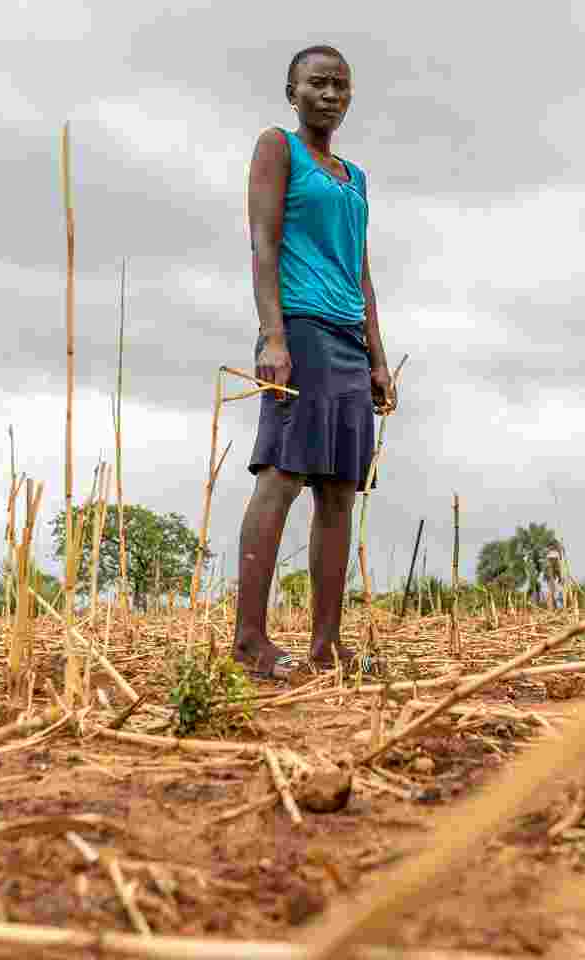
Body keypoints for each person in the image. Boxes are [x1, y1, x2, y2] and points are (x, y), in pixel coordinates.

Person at [231, 44, 395, 681]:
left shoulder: (356, 178)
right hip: (299, 330)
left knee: (339, 489)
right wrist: (273, 337)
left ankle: (327, 645)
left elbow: (360, 270)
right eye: (318, 84)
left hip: (349, 340)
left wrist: (377, 357)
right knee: (282, 474)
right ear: (292, 91)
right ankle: (250, 640)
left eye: (341, 87)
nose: (331, 96)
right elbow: (263, 243)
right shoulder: (279, 147)